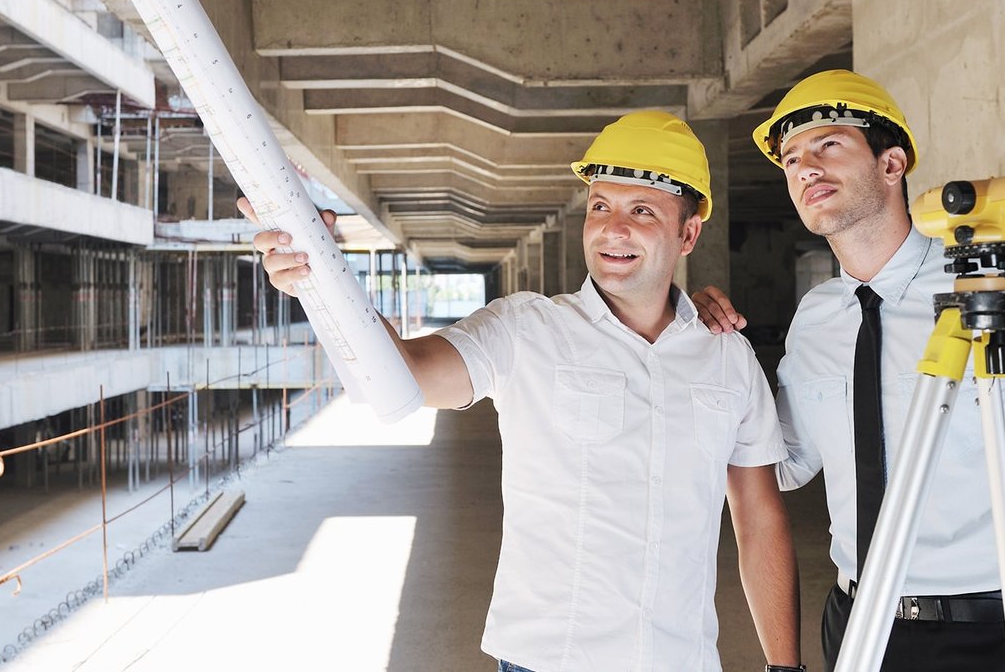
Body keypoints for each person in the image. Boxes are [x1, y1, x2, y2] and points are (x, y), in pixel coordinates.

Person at [244, 111, 805, 672]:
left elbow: (758, 519)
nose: (613, 228)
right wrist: (322, 276)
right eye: (600, 207)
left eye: (642, 211)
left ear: (688, 234)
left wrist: (786, 666)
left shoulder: (726, 356)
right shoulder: (526, 331)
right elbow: (403, 374)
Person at [693, 69, 1005, 671]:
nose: (805, 168)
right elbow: (785, 463)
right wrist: (696, 345)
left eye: (829, 144)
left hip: (1000, 631)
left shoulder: (1004, 288)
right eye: (791, 159)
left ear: (892, 164)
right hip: (857, 624)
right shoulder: (817, 318)